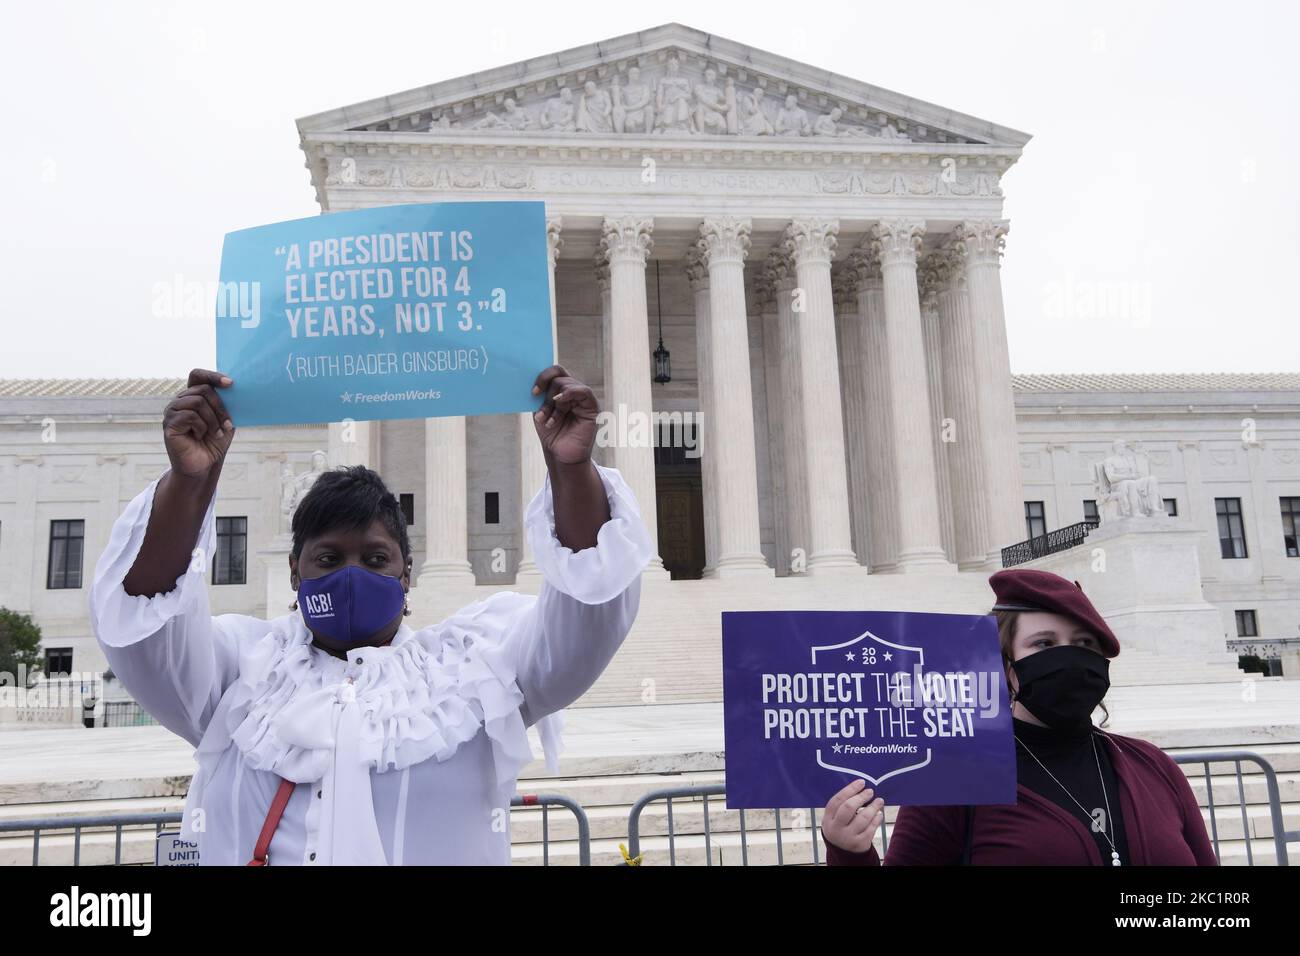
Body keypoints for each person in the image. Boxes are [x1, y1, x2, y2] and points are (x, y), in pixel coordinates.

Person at [89, 366, 652, 865]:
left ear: (406, 572)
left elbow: (584, 621)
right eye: (329, 559)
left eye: (375, 558)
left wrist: (571, 469)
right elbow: (146, 632)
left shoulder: (473, 674)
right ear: (295, 572)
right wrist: (190, 482)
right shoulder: (241, 673)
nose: (352, 575)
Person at [820, 568, 1217, 866]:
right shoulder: (957, 780)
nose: (1069, 657)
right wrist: (849, 853)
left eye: (1084, 644)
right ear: (1004, 661)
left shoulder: (1153, 766)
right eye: (1044, 643)